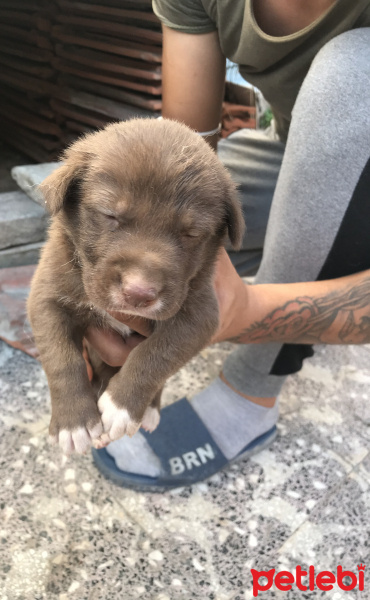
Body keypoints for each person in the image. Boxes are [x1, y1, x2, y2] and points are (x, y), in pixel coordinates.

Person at [88, 0, 370, 491]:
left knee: (355, 70)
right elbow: (186, 152)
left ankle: (250, 395)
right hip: (293, 149)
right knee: (166, 227)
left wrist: (251, 312)